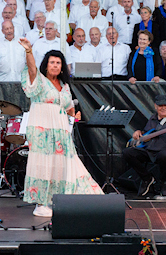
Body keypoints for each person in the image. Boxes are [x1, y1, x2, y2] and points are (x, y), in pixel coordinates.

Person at [16, 39, 102, 217]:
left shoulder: (64, 87)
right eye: (52, 62)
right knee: (43, 166)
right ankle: (41, 204)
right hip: (42, 131)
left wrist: (74, 114)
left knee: (62, 166)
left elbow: (69, 108)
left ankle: (58, 200)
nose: (55, 66)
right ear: (46, 66)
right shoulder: (39, 80)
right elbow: (32, 69)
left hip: (61, 132)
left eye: (58, 63)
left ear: (62, 67)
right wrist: (29, 51)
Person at [123, 94, 166, 198]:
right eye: (160, 105)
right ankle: (147, 178)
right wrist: (139, 133)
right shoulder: (152, 118)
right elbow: (146, 133)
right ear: (155, 106)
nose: (163, 108)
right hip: (150, 150)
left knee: (164, 155)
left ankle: (164, 181)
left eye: (165, 105)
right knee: (127, 152)